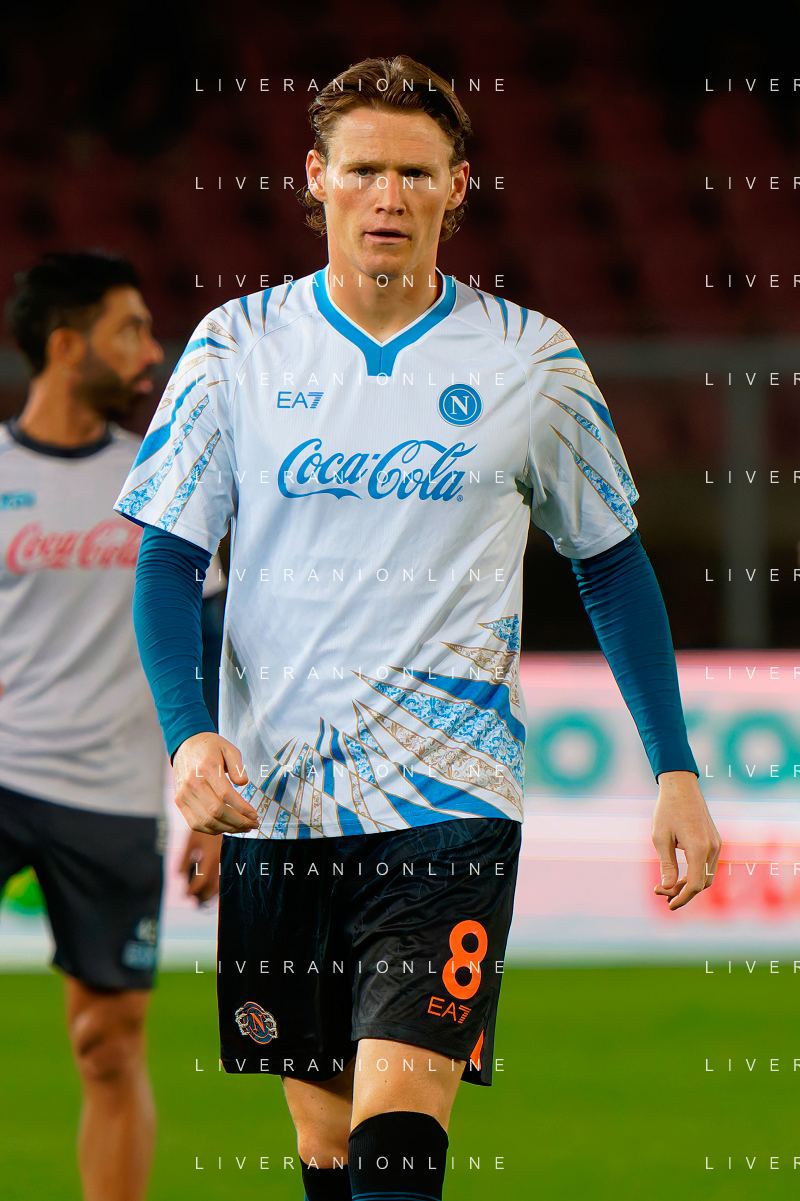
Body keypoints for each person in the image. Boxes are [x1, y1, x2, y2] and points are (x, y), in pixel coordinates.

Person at [117, 57, 722, 1201]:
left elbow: (609, 562)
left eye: (413, 172)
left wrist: (673, 767)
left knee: (402, 1121)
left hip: (451, 803)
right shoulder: (235, 348)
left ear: (458, 186)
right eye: (362, 170)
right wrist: (190, 737)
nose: (386, 196)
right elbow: (167, 562)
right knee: (328, 1147)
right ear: (315, 178)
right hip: (283, 801)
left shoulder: (530, 361)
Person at [0, 251, 220, 1201]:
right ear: (65, 344)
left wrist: (211, 802)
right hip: (4, 773)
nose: (150, 350)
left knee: (107, 1042)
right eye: (128, 329)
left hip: (113, 799)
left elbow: (213, 640)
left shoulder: (163, 479)